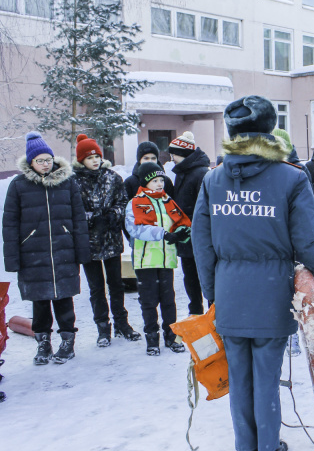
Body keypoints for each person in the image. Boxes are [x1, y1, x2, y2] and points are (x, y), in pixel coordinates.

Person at [193, 95, 314, 451]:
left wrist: (214, 292)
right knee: (267, 373)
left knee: (239, 374)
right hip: (272, 289)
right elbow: (308, 239)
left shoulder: (212, 179)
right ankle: (269, 446)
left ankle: (248, 445)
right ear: (269, 129)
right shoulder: (291, 177)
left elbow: (201, 244)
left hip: (230, 291)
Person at [3, 132, 90, 364]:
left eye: (48, 159)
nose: (45, 164)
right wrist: (12, 258)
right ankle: (43, 343)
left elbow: (78, 218)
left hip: (64, 251)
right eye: (40, 160)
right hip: (33, 255)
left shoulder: (67, 182)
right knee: (39, 303)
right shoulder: (18, 185)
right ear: (31, 162)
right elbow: (9, 223)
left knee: (64, 300)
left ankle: (67, 340)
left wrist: (82, 250)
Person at [72, 134, 140, 346]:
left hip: (111, 240)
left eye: (97, 156)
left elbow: (123, 203)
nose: (95, 160)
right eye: (90, 157)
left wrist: (113, 215)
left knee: (116, 284)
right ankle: (102, 328)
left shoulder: (113, 178)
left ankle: (122, 324)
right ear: (81, 160)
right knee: (96, 288)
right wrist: (93, 218)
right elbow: (72, 212)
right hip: (88, 243)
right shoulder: (73, 182)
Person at [125, 162, 190, 356]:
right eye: (155, 180)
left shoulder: (167, 200)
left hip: (166, 260)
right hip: (146, 261)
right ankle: (152, 338)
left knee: (169, 300)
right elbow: (135, 229)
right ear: (146, 182)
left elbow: (180, 221)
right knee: (149, 301)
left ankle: (171, 336)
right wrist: (163, 234)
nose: (160, 183)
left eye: (161, 179)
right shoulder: (135, 202)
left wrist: (182, 232)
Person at [167, 131, 211, 316]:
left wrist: (191, 225)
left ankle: (211, 315)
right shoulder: (183, 173)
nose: (171, 158)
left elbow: (204, 207)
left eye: (173, 154)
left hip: (199, 237)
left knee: (204, 279)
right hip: (186, 236)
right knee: (190, 278)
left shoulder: (200, 173)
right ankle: (196, 313)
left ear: (182, 154)